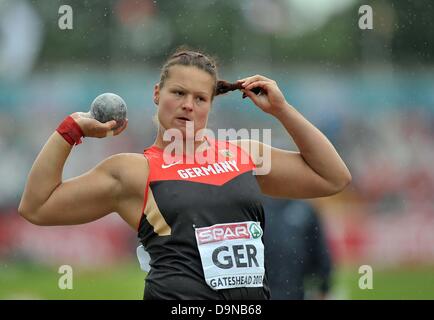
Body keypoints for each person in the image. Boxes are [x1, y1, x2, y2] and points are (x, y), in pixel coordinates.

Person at [18, 47, 351, 300]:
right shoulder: (133, 170)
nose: (188, 105)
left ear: (210, 105)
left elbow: (333, 177)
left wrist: (282, 110)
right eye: (178, 93)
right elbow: (37, 206)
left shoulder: (245, 154)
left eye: (200, 98)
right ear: (156, 94)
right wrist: (70, 130)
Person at [262, 197, 333, 300]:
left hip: (295, 292)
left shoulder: (304, 210)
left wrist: (323, 288)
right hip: (263, 292)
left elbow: (320, 255)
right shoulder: (255, 207)